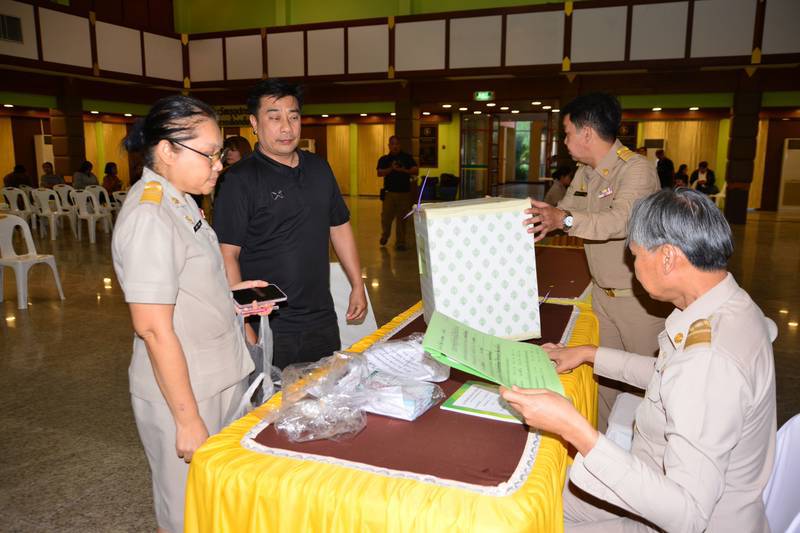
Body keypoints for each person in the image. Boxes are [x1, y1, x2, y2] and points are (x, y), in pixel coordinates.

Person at [503, 188, 776, 532]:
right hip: (653, 477)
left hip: (677, 517)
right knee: (538, 503)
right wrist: (589, 353)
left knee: (532, 524)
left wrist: (574, 428)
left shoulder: (710, 361)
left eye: (635, 256)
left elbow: (688, 516)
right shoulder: (727, 305)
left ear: (668, 257)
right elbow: (670, 377)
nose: (633, 269)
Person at [112, 95, 267, 533]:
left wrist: (233, 296)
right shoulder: (150, 216)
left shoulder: (179, 200)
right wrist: (187, 420)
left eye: (220, 154)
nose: (219, 165)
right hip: (186, 393)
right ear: (167, 150)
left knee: (214, 504)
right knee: (186, 514)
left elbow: (187, 284)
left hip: (216, 375)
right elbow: (152, 328)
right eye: (210, 154)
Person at [523, 92, 667, 431]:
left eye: (567, 133)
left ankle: (645, 455)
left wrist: (563, 219)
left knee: (649, 386)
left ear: (586, 132)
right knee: (605, 382)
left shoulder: (636, 170)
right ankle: (601, 446)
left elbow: (620, 221)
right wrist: (535, 216)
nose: (564, 141)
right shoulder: (585, 172)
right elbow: (565, 211)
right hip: (602, 296)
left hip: (638, 303)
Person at [213, 79, 367, 369]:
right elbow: (227, 254)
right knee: (273, 397)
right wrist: (244, 324)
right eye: (274, 118)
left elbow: (339, 226)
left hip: (321, 317)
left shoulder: (319, 168)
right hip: (269, 322)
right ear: (254, 123)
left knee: (323, 390)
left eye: (293, 117)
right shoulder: (239, 180)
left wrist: (357, 284)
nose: (286, 128)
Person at [376, 135, 419, 251]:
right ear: (389, 146)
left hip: (404, 193)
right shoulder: (384, 159)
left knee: (402, 219)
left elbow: (416, 170)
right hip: (389, 193)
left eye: (397, 144)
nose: (395, 146)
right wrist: (391, 169)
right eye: (392, 144)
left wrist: (403, 170)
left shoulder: (407, 158)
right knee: (386, 217)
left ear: (400, 145)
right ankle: (385, 235)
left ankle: (400, 242)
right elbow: (379, 173)